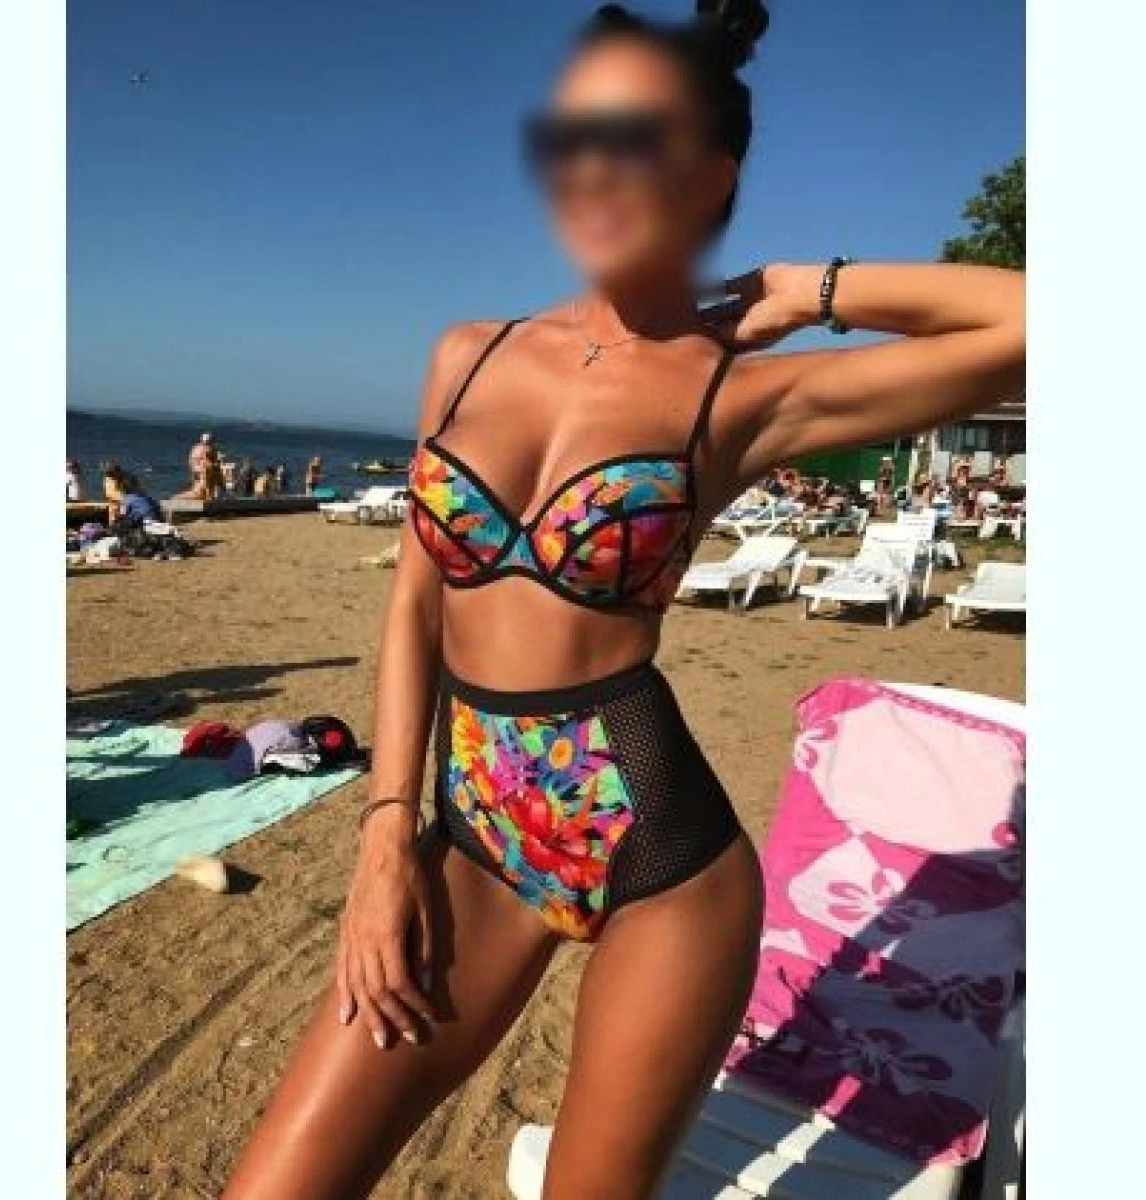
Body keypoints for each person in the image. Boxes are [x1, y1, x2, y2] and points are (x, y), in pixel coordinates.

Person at [225, 5, 1025, 1196]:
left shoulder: (737, 396)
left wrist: (803, 287)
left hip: (664, 869)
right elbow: (415, 605)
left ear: (712, 176)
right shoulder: (468, 354)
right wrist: (387, 835)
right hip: (477, 833)